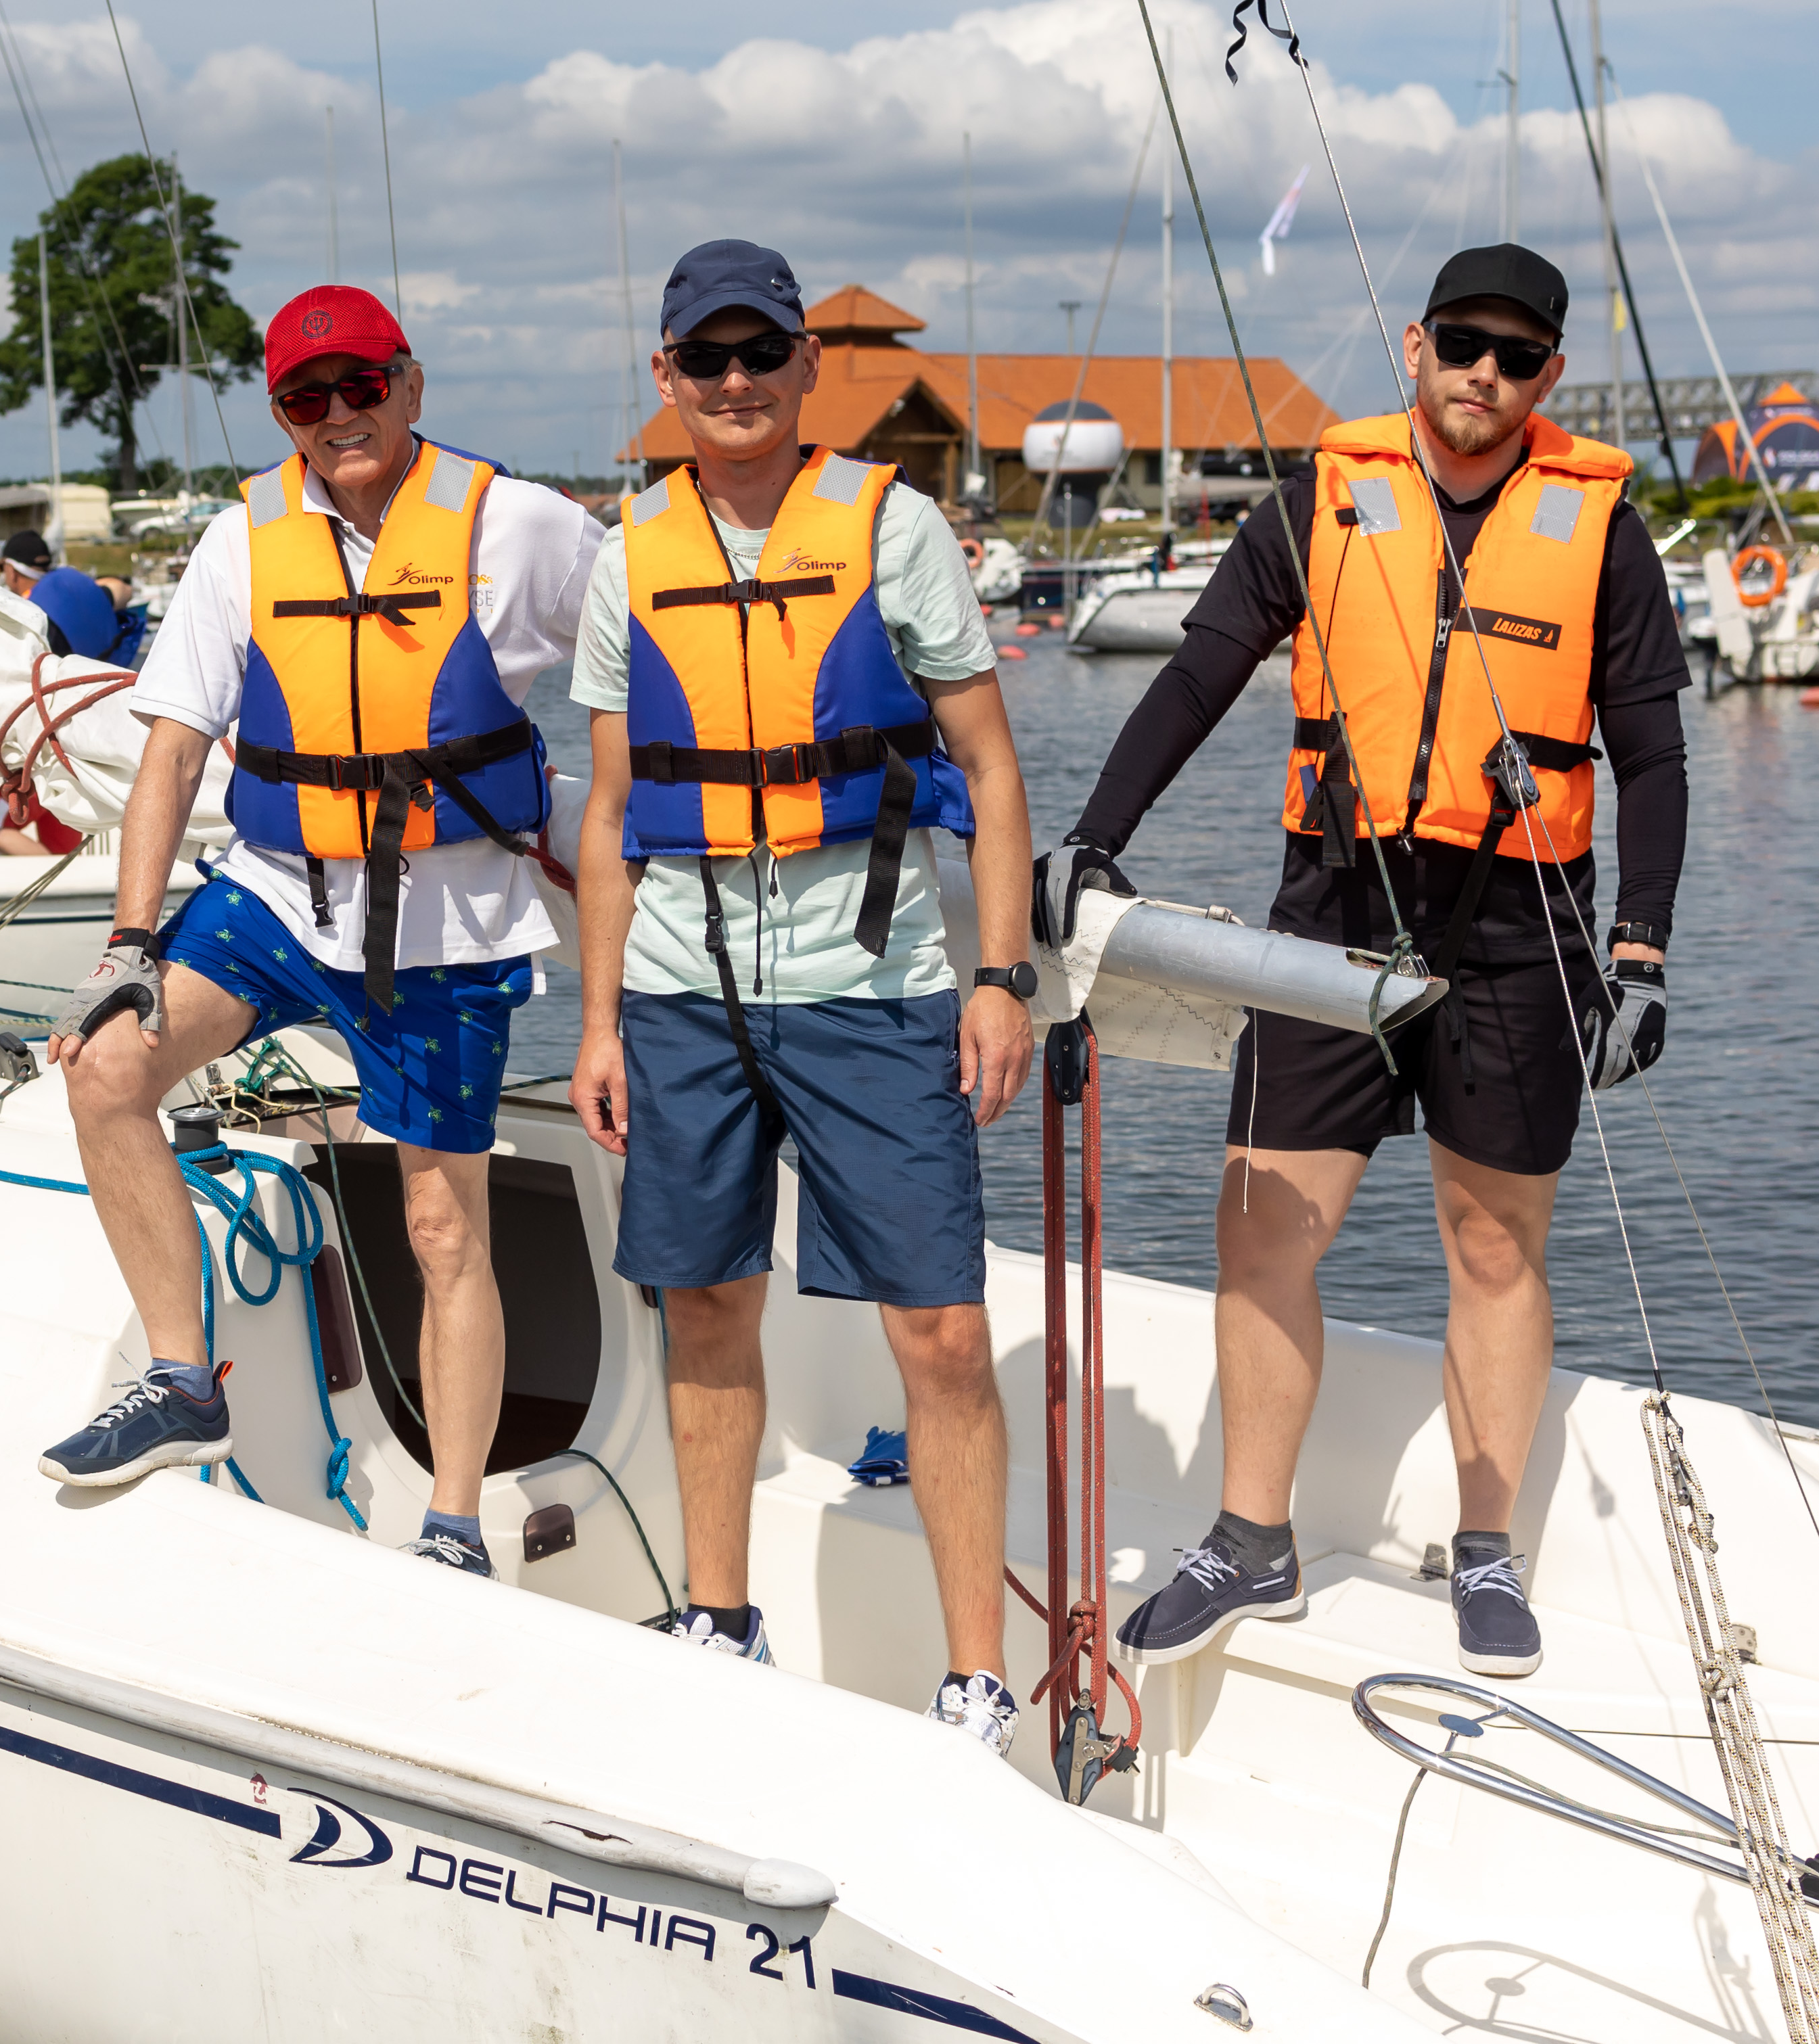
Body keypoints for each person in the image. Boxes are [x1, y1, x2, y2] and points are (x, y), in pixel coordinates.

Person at [1067, 246, 1686, 1683]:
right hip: (1336, 900)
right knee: (1265, 1222)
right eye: (1463, 342)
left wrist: (1640, 946)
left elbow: (1652, 748)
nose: (1485, 373)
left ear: (1552, 376)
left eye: (1518, 355)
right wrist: (1093, 841)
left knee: (1492, 1244)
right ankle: (1250, 1536)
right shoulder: (1321, 502)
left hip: (1521, 925)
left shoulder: (1604, 532)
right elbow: (1201, 669)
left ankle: (1483, 1548)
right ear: (1414, 343)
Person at [41, 285, 602, 1580]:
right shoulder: (246, 542)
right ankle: (184, 1374)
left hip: (445, 914)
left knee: (441, 1223)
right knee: (106, 1064)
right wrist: (130, 944)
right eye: (307, 396)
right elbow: (174, 748)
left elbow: (646, 657)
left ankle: (456, 1523)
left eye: (361, 387)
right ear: (284, 412)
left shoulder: (517, 526)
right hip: (280, 890)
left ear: (411, 385)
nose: (337, 415)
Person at [566, 241, 1038, 1755]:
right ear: (665, 379)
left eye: (761, 353)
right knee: (704, 1298)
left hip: (877, 981)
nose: (735, 383)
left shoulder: (896, 531)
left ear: (805, 368)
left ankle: (975, 1679)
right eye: (705, 358)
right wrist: (594, 1022)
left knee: (943, 1332)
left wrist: (1002, 973)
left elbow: (995, 769)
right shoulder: (625, 553)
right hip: (680, 991)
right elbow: (609, 808)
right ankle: (720, 1616)